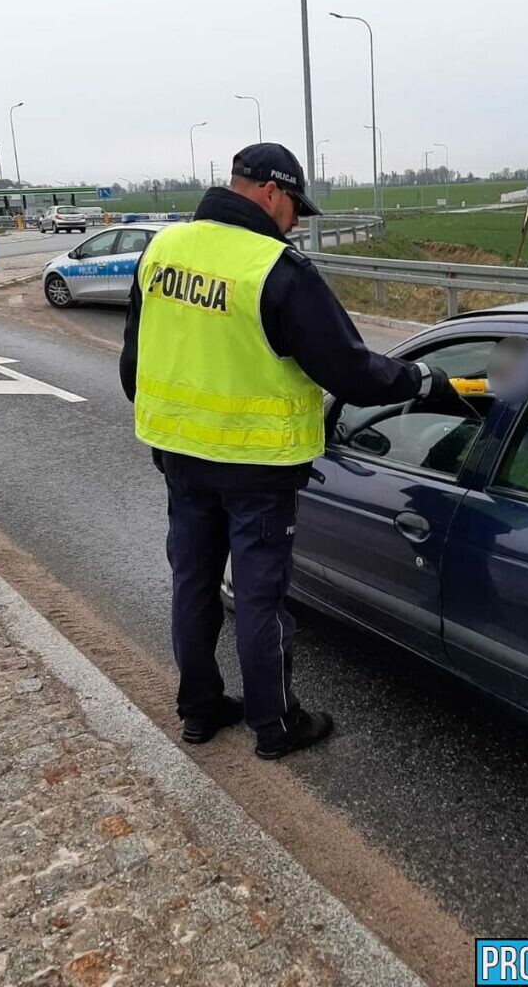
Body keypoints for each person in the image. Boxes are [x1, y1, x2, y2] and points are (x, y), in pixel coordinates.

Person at [120, 143, 459, 760]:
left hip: (180, 457)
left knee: (192, 585)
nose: (296, 221)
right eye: (295, 206)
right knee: (258, 597)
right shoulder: (276, 270)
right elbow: (351, 371)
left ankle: (198, 711)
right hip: (258, 469)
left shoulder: (161, 251)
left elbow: (133, 361)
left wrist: (171, 429)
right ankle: (275, 726)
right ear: (271, 192)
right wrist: (422, 382)